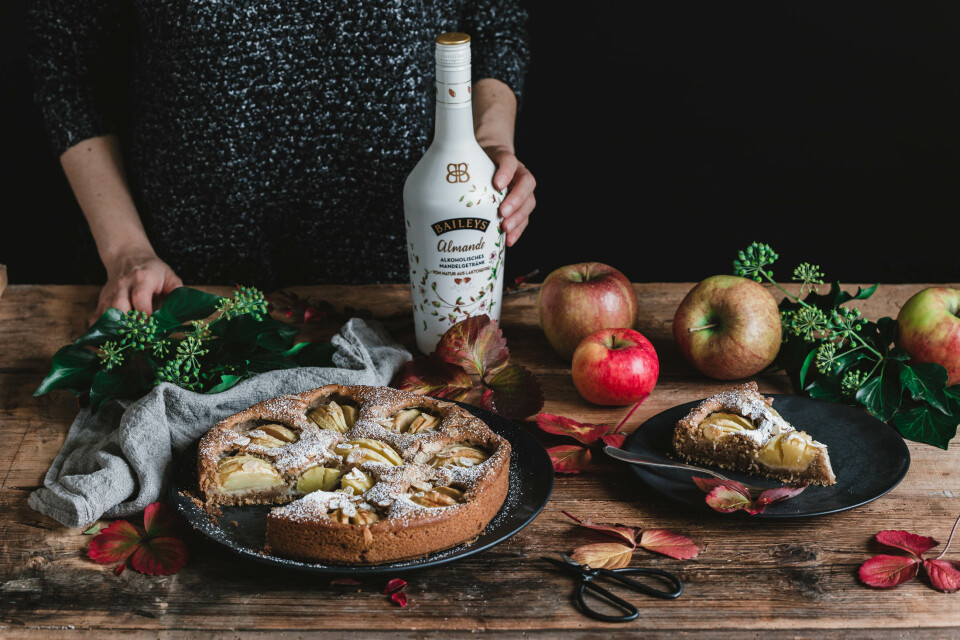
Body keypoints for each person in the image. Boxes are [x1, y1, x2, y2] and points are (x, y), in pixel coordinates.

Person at [28, 2, 536, 321]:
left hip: (408, 293)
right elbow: (67, 60)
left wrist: (488, 145)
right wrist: (125, 251)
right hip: (189, 290)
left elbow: (492, 21)